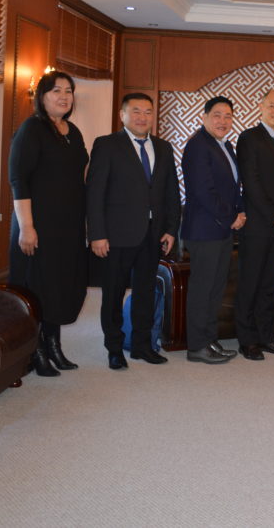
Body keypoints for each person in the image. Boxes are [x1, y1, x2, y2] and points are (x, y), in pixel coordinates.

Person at [87, 93, 181, 370]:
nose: (142, 117)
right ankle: (114, 348)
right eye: (136, 111)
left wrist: (171, 229)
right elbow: (95, 193)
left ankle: (141, 345)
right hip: (116, 234)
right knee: (113, 293)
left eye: (148, 112)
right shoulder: (107, 145)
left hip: (153, 234)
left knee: (145, 292)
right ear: (123, 115)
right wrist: (97, 234)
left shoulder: (163, 147)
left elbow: (172, 192)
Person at [8, 71, 88, 377]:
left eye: (68, 91)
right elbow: (18, 180)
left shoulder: (73, 131)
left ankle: (54, 345)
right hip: (37, 224)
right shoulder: (32, 129)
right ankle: (36, 351)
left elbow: (80, 175)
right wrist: (26, 227)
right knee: (38, 286)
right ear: (42, 96)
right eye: (56, 91)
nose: (64, 96)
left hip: (67, 226)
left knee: (59, 285)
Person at [180, 96, 245, 365]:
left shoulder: (225, 145)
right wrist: (231, 217)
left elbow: (234, 187)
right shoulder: (198, 145)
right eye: (217, 115)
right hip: (205, 230)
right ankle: (196, 346)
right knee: (202, 289)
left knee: (216, 289)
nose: (223, 121)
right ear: (204, 117)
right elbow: (203, 191)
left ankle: (209, 339)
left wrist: (241, 212)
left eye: (228, 116)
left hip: (222, 230)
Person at [235, 88, 274, 361]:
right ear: (261, 107)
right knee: (251, 283)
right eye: (272, 106)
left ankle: (266, 336)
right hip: (258, 225)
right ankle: (247, 340)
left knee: (271, 284)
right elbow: (252, 182)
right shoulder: (249, 138)